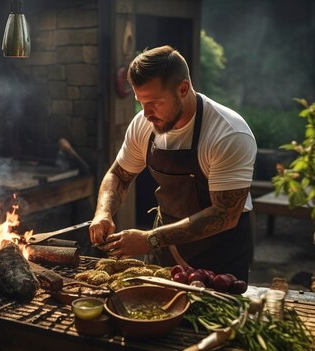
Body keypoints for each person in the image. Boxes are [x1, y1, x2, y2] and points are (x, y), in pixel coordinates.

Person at [89, 45, 256, 282]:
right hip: (166, 251)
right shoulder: (143, 125)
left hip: (218, 257)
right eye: (141, 102)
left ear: (183, 89)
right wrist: (103, 212)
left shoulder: (228, 134)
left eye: (154, 103)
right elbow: (118, 175)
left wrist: (150, 239)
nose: (146, 114)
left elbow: (225, 215)